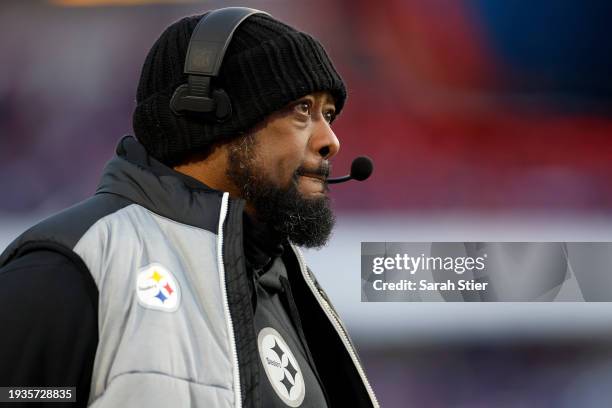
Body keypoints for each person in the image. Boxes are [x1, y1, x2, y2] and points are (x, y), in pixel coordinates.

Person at [0, 9, 378, 408]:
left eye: (329, 114)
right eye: (303, 109)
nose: (331, 140)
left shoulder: (288, 287)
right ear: (207, 112)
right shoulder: (68, 269)